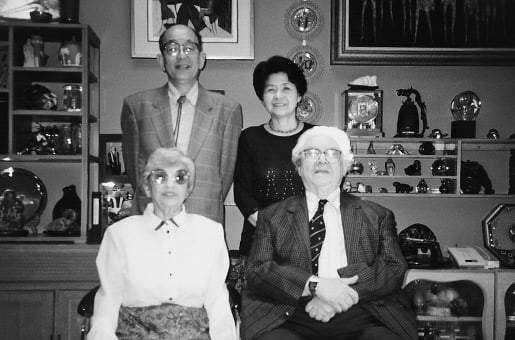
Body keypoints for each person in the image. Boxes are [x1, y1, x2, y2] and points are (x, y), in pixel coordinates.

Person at [241, 126, 417, 340]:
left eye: (332, 153)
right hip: (290, 314)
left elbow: (394, 268)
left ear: (345, 167)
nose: (322, 160)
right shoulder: (271, 216)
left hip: (362, 311)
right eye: (312, 153)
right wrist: (315, 286)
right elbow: (257, 271)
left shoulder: (377, 215)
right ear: (299, 166)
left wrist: (341, 293)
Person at [88, 148, 237, 340]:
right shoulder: (119, 235)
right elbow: (107, 304)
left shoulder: (210, 233)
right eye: (160, 177)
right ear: (147, 186)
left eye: (180, 178)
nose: (170, 185)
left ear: (188, 188)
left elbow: (218, 305)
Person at [121, 23, 243, 224]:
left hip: (203, 220)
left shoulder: (227, 110)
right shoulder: (136, 107)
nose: (181, 55)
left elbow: (224, 177)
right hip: (150, 221)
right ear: (161, 60)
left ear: (201, 58)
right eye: (172, 48)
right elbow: (136, 173)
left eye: (189, 48)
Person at [234, 55, 314, 256]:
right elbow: (243, 195)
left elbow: (329, 191)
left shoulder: (318, 137)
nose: (278, 96)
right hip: (260, 243)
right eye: (271, 89)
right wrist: (276, 232)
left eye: (286, 88)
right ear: (263, 98)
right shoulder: (249, 138)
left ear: (299, 95)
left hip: (309, 242)